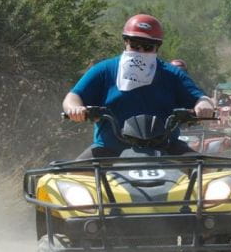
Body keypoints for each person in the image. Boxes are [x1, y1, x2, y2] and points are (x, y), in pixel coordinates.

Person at [63, 14, 215, 158]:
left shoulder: (172, 74)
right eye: (135, 45)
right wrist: (74, 108)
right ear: (125, 42)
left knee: (208, 176)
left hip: (167, 148)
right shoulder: (104, 70)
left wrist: (203, 104)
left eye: (148, 47)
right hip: (108, 151)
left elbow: (200, 98)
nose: (141, 51)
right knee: (70, 180)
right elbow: (73, 96)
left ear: (158, 47)